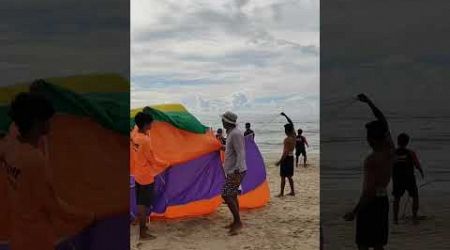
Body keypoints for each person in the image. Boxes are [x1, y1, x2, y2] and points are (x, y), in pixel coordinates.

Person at [1, 92, 94, 250]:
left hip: (17, 235)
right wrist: (87, 216)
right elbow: (54, 206)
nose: (51, 124)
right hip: (36, 240)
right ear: (38, 123)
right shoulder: (34, 160)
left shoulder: (9, 145)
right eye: (48, 120)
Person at [343, 94, 394, 250]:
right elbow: (384, 122)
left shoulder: (371, 160)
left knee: (363, 244)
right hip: (383, 200)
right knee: (378, 244)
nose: (366, 139)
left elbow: (369, 191)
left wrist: (355, 211)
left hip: (370, 203)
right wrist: (369, 103)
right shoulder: (390, 151)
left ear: (372, 139)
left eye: (368, 136)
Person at [131, 112, 157, 240]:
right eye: (151, 122)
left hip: (137, 174)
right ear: (146, 124)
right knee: (144, 204)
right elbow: (152, 159)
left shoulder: (134, 135)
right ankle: (143, 232)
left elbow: (137, 127)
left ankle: (143, 228)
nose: (153, 124)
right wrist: (167, 163)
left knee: (141, 202)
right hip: (146, 177)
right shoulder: (146, 140)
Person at [221, 111, 247, 236]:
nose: (222, 122)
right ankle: (236, 221)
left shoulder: (236, 133)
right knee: (232, 195)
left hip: (236, 171)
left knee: (226, 195)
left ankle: (238, 222)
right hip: (233, 170)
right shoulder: (232, 133)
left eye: (223, 120)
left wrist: (237, 170)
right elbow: (232, 149)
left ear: (228, 122)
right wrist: (222, 147)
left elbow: (241, 152)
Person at [392, 133, 424, 224]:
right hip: (409, 179)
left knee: (397, 198)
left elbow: (388, 165)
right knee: (415, 197)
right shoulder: (410, 153)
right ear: (407, 142)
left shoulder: (393, 153)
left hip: (397, 179)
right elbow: (417, 164)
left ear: (398, 142)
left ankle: (395, 219)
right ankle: (414, 216)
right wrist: (421, 172)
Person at [276, 112, 296, 197]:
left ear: (286, 131)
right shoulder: (294, 136)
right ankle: (292, 191)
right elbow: (291, 123)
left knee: (283, 176)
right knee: (289, 176)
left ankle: (281, 193)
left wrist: (280, 162)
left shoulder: (287, 140)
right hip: (291, 157)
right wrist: (285, 116)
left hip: (286, 158)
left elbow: (285, 152)